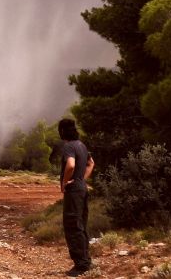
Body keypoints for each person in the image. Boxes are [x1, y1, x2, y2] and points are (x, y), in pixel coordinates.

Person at [58, 118, 94, 277]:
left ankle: (81, 265)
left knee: (73, 225)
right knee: (81, 225)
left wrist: (65, 183)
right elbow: (91, 163)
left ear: (62, 131)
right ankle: (86, 261)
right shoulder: (82, 145)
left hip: (73, 191)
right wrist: (82, 179)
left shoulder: (69, 146)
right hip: (82, 189)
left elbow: (71, 165)